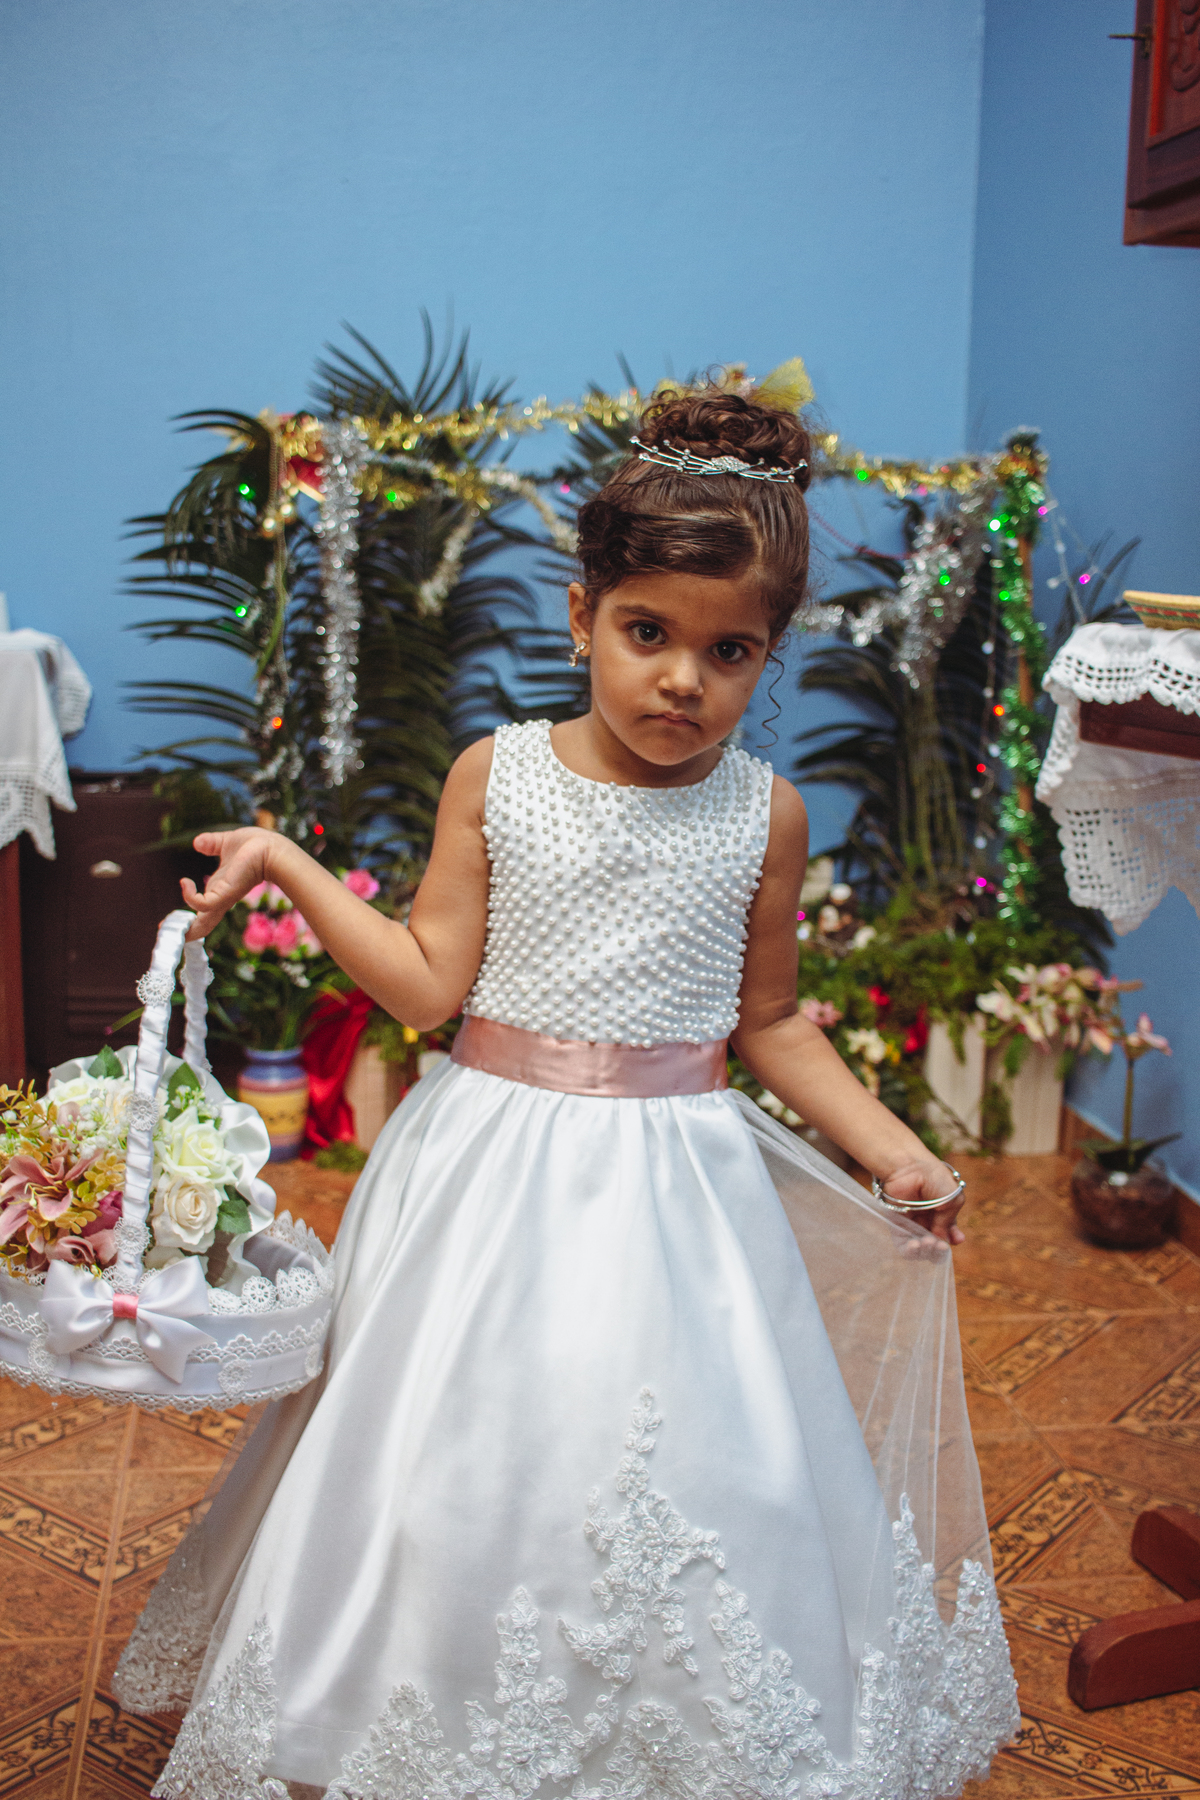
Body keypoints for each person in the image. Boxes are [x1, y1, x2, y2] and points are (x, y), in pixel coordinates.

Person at [118, 389, 1018, 1800]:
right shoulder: (502, 775)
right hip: (489, 1175)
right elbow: (424, 987)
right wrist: (291, 861)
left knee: (707, 1462)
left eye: (730, 653)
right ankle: (414, 1711)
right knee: (459, 1461)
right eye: (648, 634)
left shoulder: (762, 813)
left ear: (767, 655)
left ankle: (682, 1732)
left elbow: (770, 1024)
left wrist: (893, 1145)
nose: (683, 682)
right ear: (585, 614)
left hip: (682, 1191)